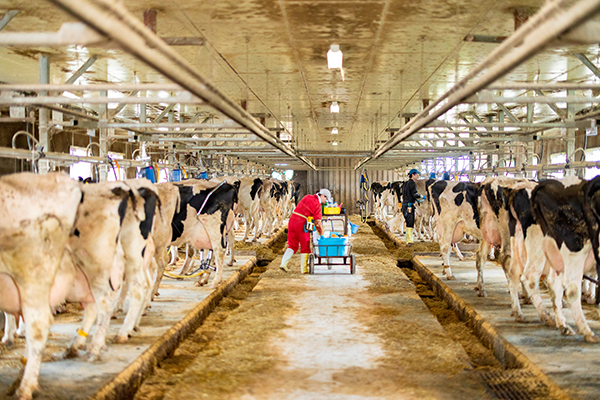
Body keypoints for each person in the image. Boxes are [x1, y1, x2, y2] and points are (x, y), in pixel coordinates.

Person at [280, 188, 331, 273]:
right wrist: (321, 233)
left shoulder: (307, 197)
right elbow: (318, 223)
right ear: (322, 195)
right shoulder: (317, 205)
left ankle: (283, 264)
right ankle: (304, 269)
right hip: (301, 223)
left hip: (292, 220)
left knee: (292, 245)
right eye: (325, 199)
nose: (324, 202)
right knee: (305, 244)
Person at [401, 169, 424, 244]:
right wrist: (421, 197)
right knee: (410, 223)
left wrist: (416, 200)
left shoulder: (405, 183)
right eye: (417, 174)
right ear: (413, 175)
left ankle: (408, 239)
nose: (418, 176)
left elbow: (408, 195)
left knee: (408, 222)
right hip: (409, 206)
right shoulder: (412, 184)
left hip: (404, 205)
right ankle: (409, 240)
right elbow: (415, 194)